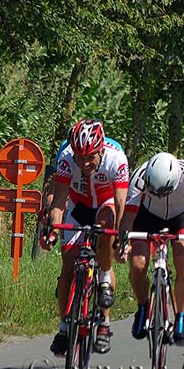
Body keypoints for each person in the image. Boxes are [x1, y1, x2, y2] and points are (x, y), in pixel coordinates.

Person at [39, 119, 129, 356]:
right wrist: (53, 231)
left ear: (101, 150)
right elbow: (59, 200)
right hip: (79, 206)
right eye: (80, 158)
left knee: (108, 224)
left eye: (90, 157)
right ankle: (64, 328)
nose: (85, 163)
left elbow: (121, 205)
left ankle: (104, 308)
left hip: (106, 204)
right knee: (68, 264)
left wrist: (121, 238)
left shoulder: (116, 159)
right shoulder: (67, 157)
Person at [116, 152, 184, 346]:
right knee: (138, 264)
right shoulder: (140, 176)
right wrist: (123, 244)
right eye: (153, 190)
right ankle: (142, 307)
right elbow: (128, 219)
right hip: (147, 216)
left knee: (183, 258)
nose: (158, 195)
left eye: (163, 192)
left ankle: (182, 317)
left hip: (181, 216)